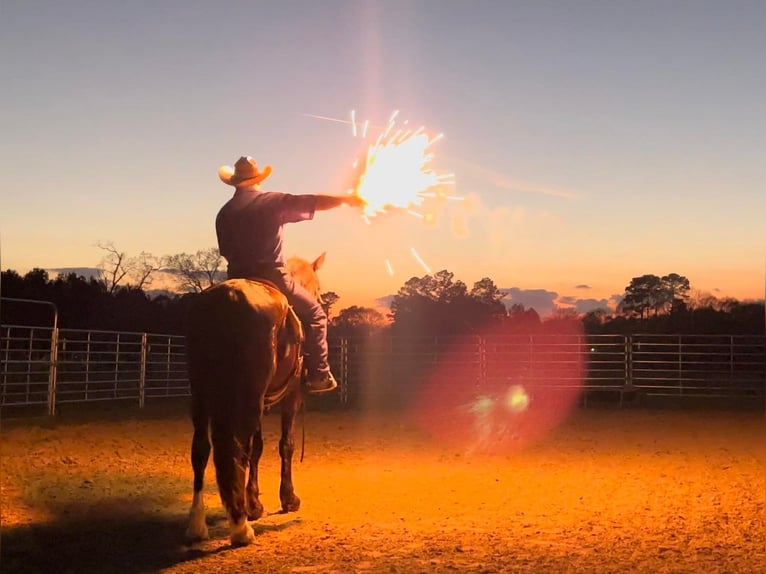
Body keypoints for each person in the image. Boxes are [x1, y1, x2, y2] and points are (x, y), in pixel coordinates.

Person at [215, 156, 366, 393]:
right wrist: (349, 199)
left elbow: (225, 251)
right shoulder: (271, 201)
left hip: (234, 277)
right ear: (257, 179)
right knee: (316, 314)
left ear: (234, 182)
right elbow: (314, 202)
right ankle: (319, 372)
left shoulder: (223, 213)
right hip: (272, 276)